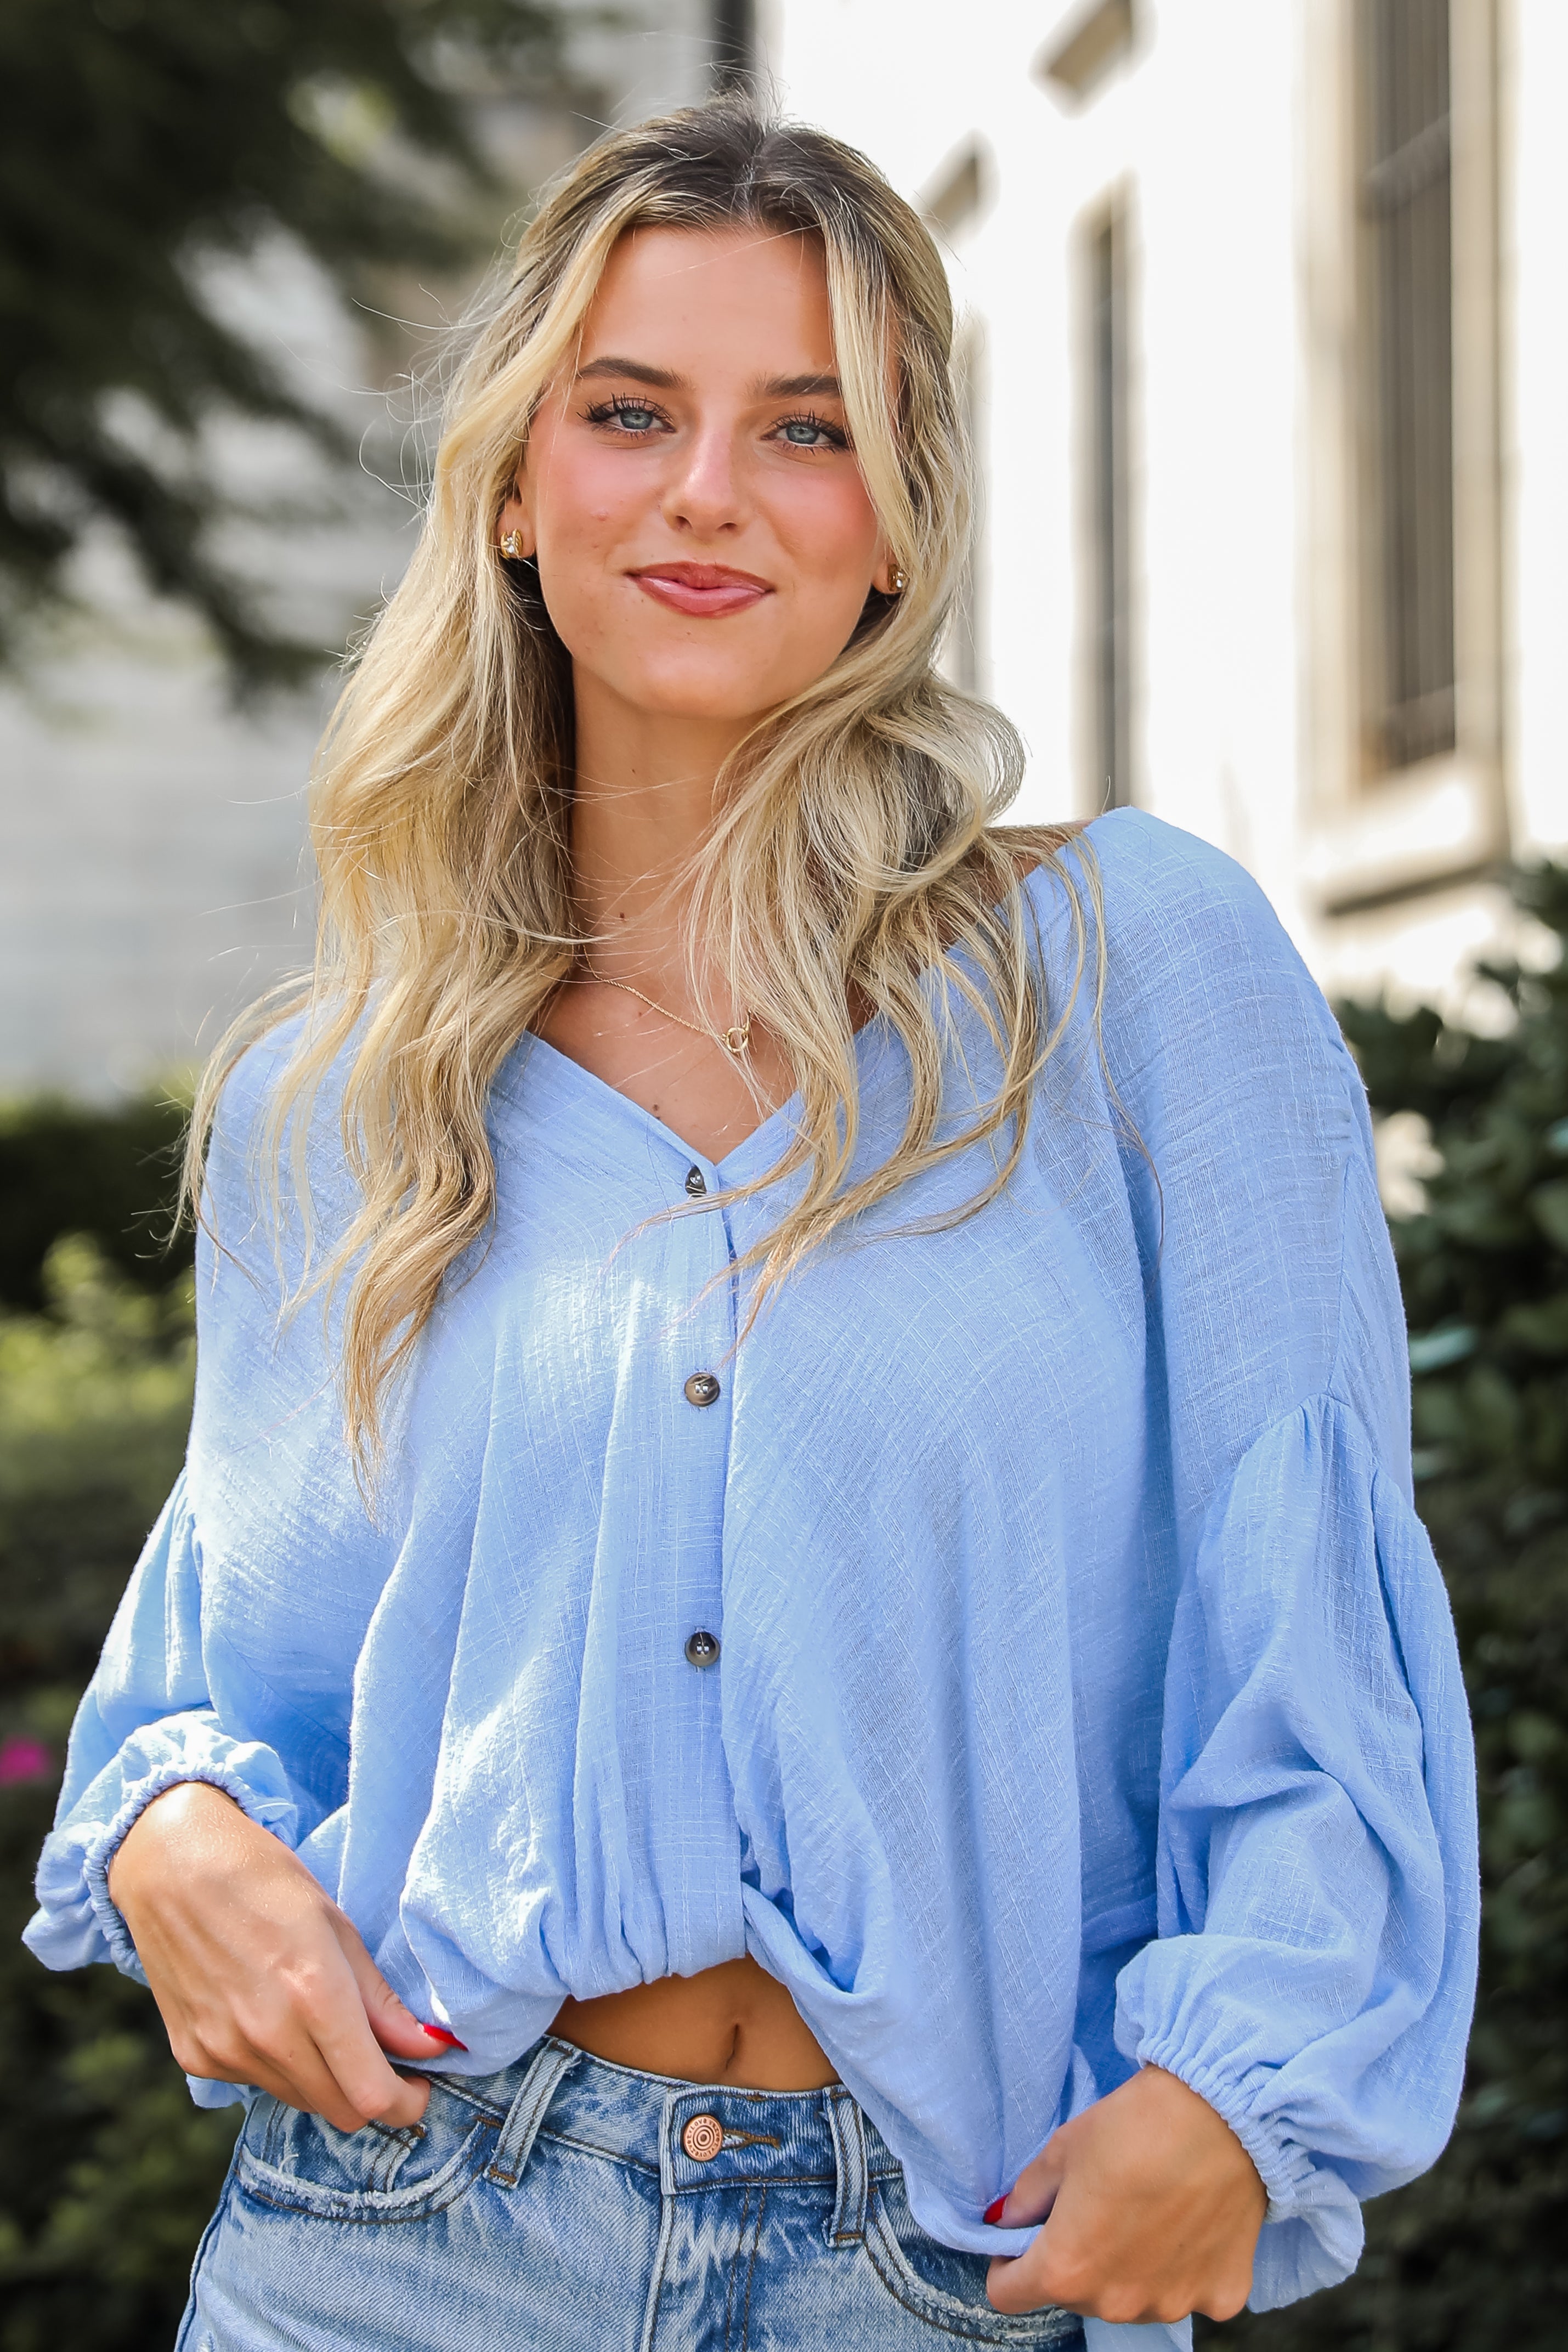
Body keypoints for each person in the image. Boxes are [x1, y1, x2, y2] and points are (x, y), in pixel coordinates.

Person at [26, 99, 1477, 2352]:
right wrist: (173, 1838)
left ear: (896, 530)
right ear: (517, 489)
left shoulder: (1125, 973)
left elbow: (1307, 1587)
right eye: (628, 414)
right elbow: (239, 1670)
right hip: (407, 2234)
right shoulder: (354, 1093)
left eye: (806, 429)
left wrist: (1242, 2079)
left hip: (956, 2251)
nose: (706, 490)